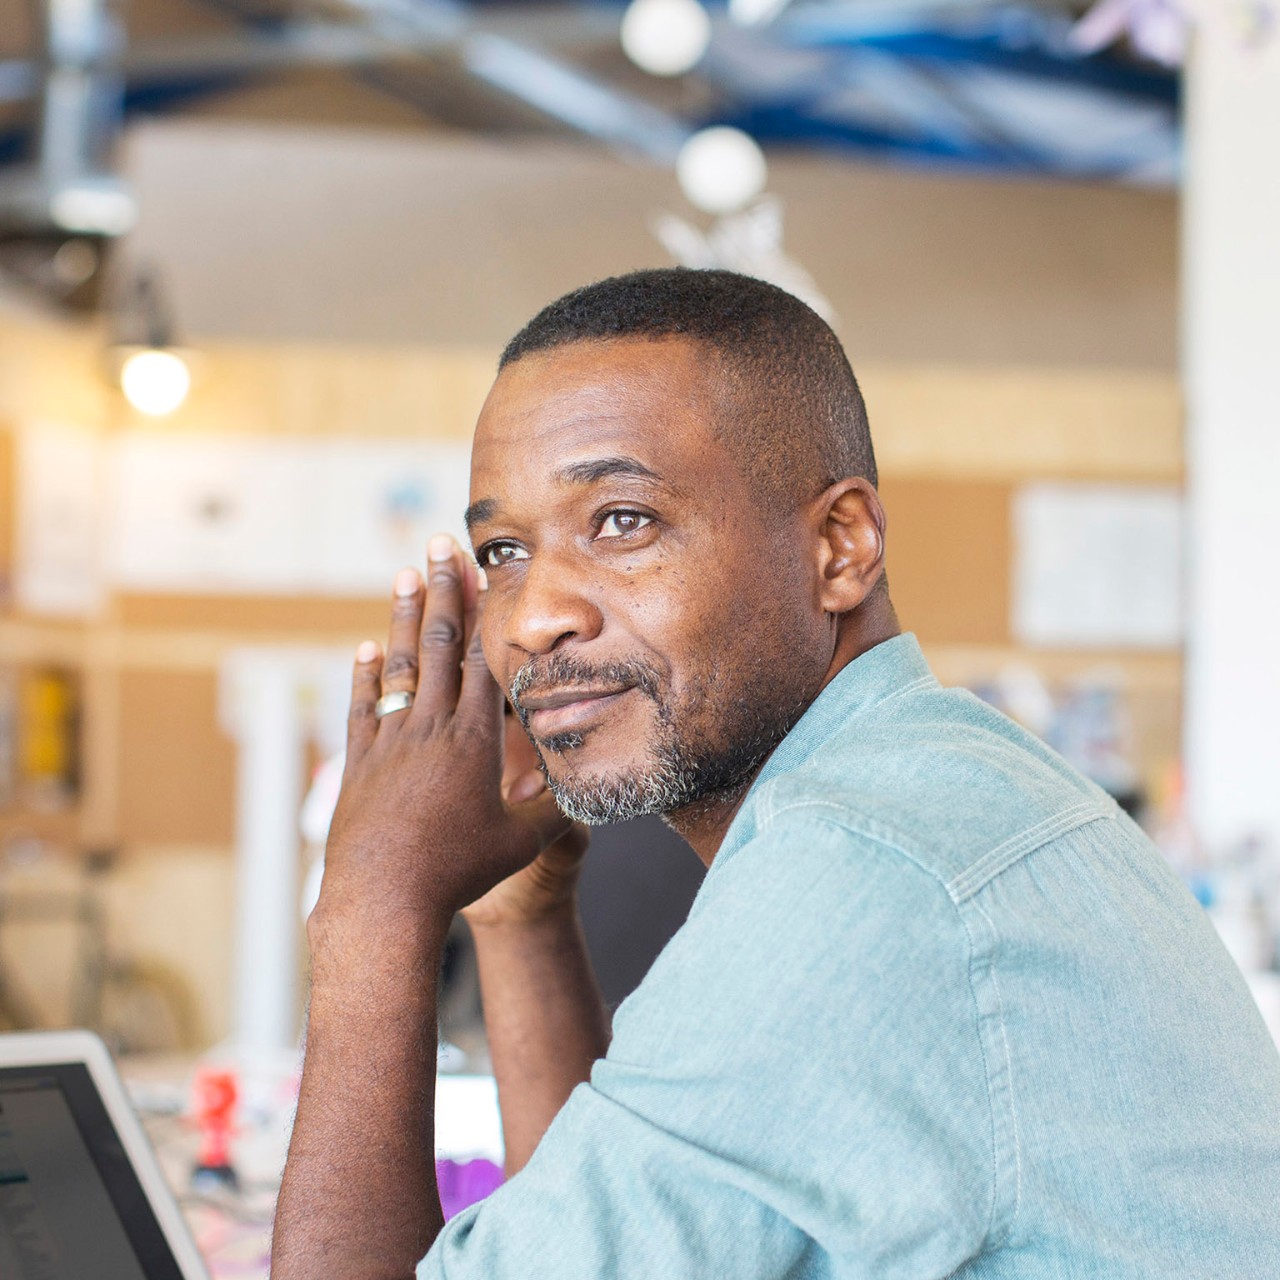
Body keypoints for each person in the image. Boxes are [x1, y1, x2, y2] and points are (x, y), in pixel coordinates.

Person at [272, 269, 1280, 1279]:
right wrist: (520, 918)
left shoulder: (857, 871)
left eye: (621, 521)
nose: (533, 617)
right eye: (502, 550)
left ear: (840, 547)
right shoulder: (932, 782)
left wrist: (370, 902)